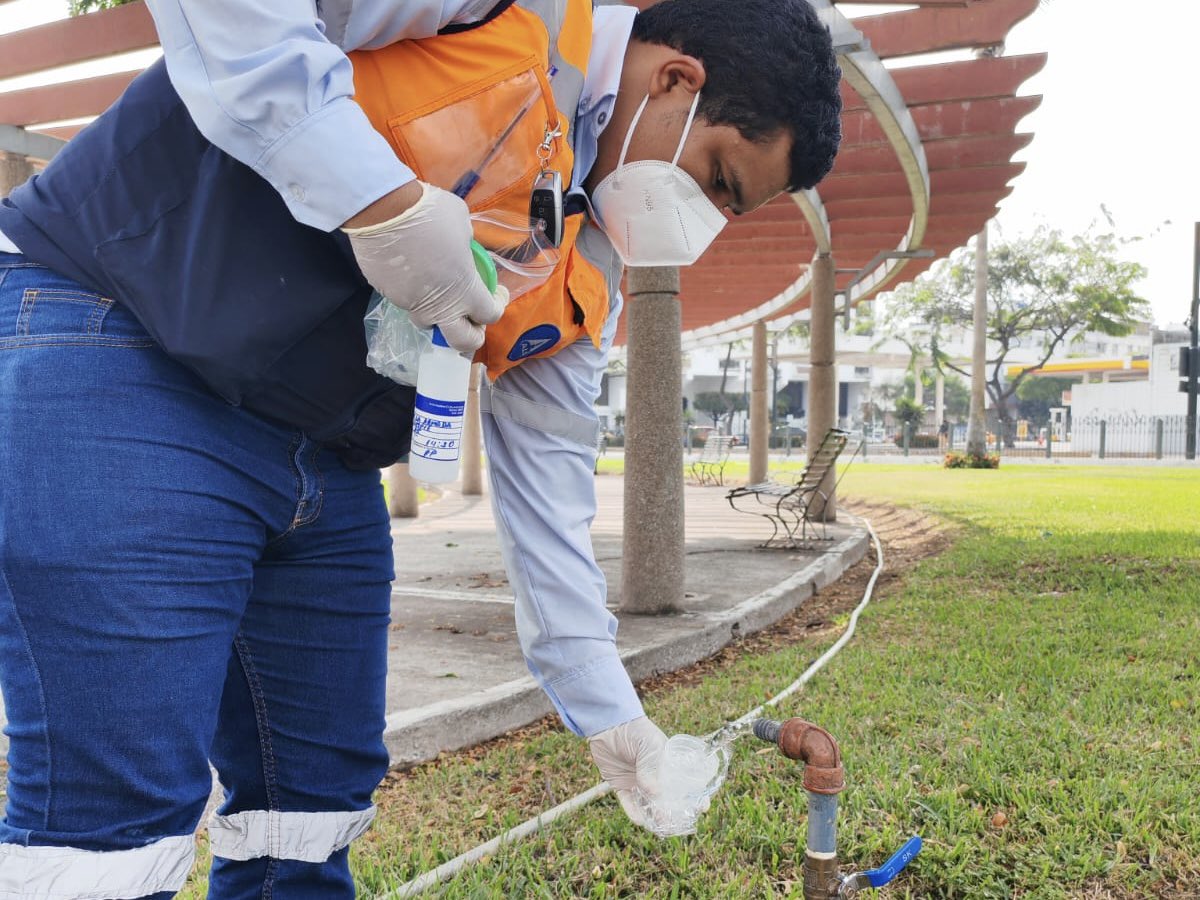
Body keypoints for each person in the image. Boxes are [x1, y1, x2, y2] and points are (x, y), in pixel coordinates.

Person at [0, 0, 842, 895]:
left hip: (320, 458)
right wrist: (385, 204)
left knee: (312, 805)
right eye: (717, 179)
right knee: (113, 834)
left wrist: (612, 721)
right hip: (125, 346)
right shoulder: (495, 11)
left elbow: (549, 497)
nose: (702, 222)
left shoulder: (580, 256)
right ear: (677, 80)